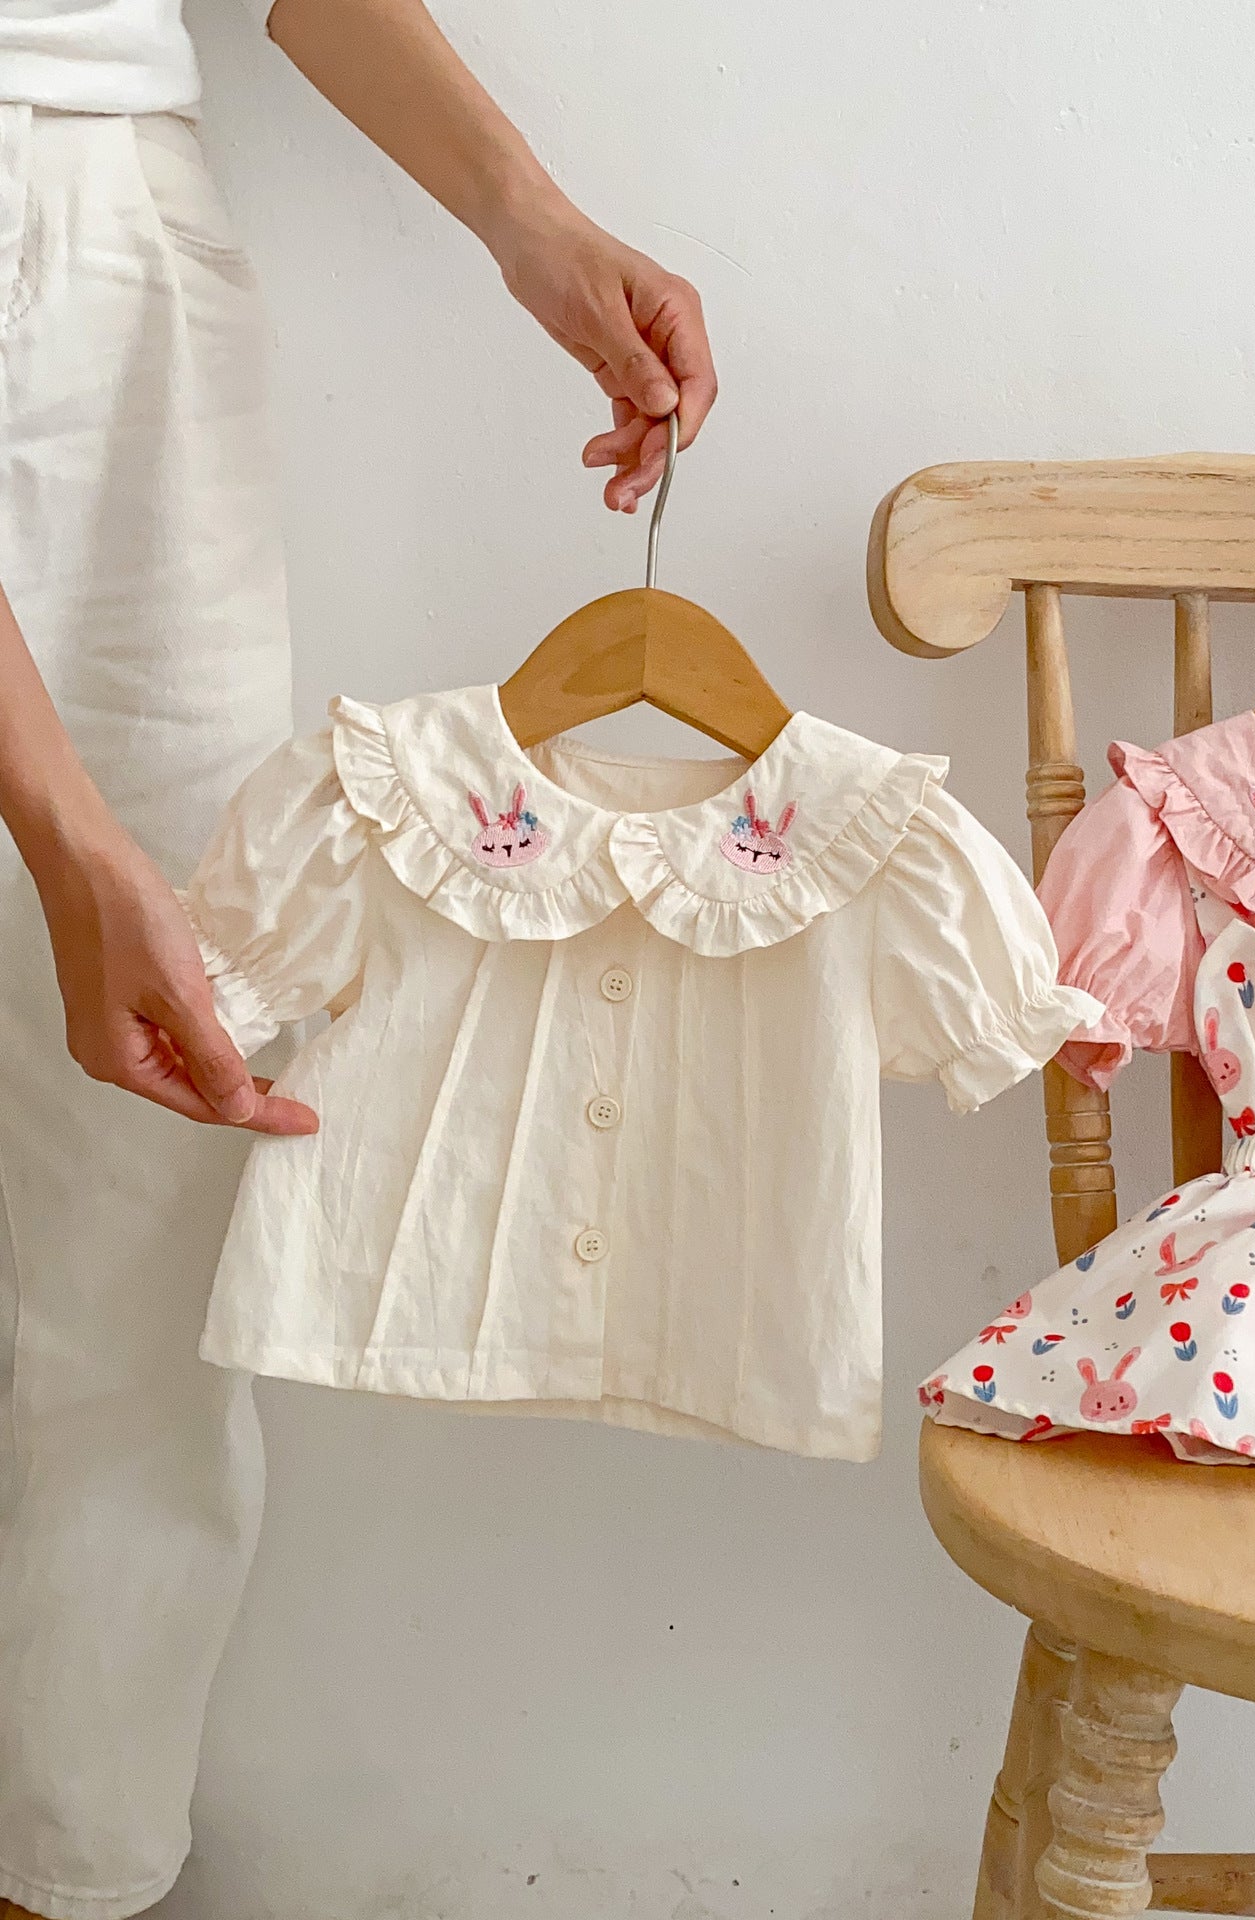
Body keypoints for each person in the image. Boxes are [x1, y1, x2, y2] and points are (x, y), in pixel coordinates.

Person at [0, 1, 716, 1913]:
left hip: (109, 240)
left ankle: (66, 1855)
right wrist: (65, 834)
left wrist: (527, 219)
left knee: (143, 1175)